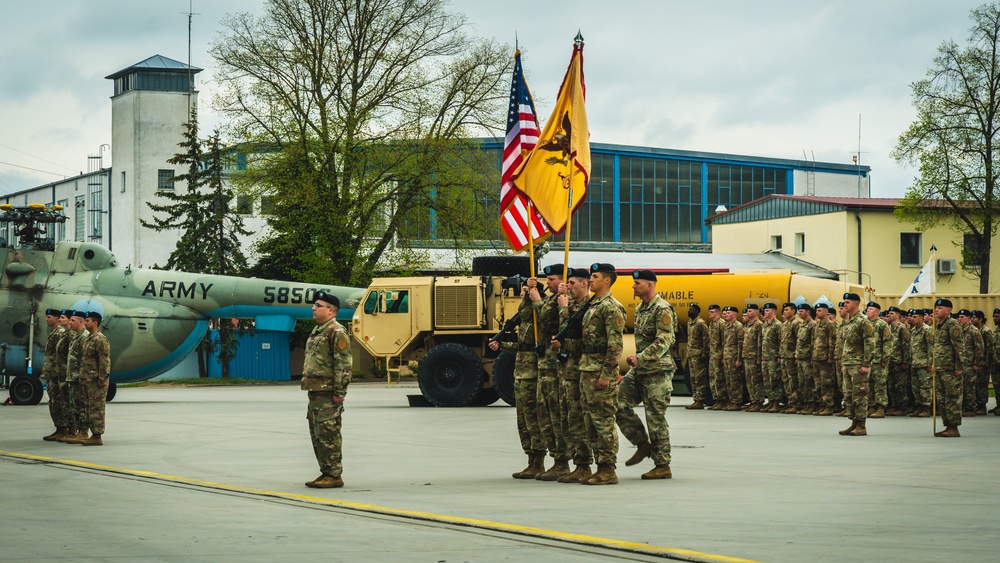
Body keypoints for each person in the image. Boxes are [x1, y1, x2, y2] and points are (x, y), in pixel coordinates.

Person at [616, 270, 675, 480]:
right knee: (616, 402)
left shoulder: (662, 309)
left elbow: (665, 340)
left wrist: (641, 357)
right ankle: (642, 444)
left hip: (657, 370)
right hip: (640, 370)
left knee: (655, 417)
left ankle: (662, 465)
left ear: (650, 285)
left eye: (637, 283)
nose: (633, 286)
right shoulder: (640, 308)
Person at [579, 263, 625, 485]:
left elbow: (615, 345)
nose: (591, 280)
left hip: (599, 371)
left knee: (604, 421)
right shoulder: (592, 304)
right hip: (587, 369)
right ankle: (599, 466)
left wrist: (607, 374)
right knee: (590, 421)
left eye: (595, 276)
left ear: (607, 280)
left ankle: (608, 468)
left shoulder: (611, 307)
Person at [301, 292, 353, 488]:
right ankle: (325, 472)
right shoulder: (319, 330)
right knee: (318, 435)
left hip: (328, 392)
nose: (313, 308)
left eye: (318, 305)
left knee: (329, 433)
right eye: (314, 305)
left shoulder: (336, 331)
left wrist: (340, 392)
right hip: (316, 391)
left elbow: (344, 364)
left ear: (331, 310)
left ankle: (334, 475)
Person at [552, 267, 594, 483]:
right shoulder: (572, 304)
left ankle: (584, 464)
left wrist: (563, 309)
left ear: (584, 284)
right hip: (567, 370)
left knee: (578, 419)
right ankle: (577, 463)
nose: (568, 286)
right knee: (568, 418)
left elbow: (575, 332)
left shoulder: (588, 306)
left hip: (579, 370)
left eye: (572, 283)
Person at [839, 293, 874, 436]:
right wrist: (843, 363)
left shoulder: (863, 321)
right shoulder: (848, 322)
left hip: (858, 364)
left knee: (859, 394)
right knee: (848, 395)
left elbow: (870, 343)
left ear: (855, 304)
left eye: (847, 302)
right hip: (848, 363)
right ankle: (854, 422)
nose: (844, 304)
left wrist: (866, 363)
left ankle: (861, 425)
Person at [932, 298, 966, 437]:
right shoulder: (940, 325)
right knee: (942, 399)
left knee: (952, 398)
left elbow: (959, 347)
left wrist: (959, 366)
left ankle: (954, 427)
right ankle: (947, 425)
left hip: (951, 369)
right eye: (936, 308)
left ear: (948, 310)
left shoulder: (953, 324)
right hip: (941, 368)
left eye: (940, 308)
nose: (936, 310)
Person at [77, 311, 111, 446]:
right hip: (87, 379)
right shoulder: (89, 338)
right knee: (88, 408)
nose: (85, 323)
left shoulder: (100, 339)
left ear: (95, 323)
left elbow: (104, 361)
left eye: (87, 321)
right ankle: (90, 433)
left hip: (96, 381)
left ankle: (97, 436)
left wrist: (102, 379)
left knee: (96, 408)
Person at [62, 311, 91, 444]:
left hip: (79, 378)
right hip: (72, 377)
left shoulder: (84, 337)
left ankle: (84, 432)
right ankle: (78, 431)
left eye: (73, 320)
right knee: (75, 406)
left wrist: (82, 377)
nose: (70, 322)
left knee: (81, 406)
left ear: (81, 322)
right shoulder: (76, 336)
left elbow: (85, 359)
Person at [41, 309, 68, 441]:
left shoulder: (60, 333)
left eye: (49, 317)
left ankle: (63, 429)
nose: (46, 319)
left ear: (56, 319)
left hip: (57, 374)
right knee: (53, 402)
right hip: (52, 374)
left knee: (58, 401)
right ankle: (59, 428)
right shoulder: (54, 333)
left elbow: (62, 354)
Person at [865, 302, 891, 418]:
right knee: (869, 384)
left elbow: (887, 342)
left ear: (876, 312)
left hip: (879, 359)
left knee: (879, 384)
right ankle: (871, 406)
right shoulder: (866, 324)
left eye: (870, 309)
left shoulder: (882, 325)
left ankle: (880, 407)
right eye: (867, 309)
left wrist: (885, 358)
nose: (867, 311)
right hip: (868, 360)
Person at [811, 303, 837, 416]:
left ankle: (828, 406)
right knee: (818, 384)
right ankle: (821, 404)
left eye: (820, 310)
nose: (817, 312)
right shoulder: (816, 325)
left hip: (825, 358)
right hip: (816, 358)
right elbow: (814, 342)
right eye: (817, 311)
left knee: (827, 383)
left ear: (826, 312)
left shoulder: (830, 325)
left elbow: (832, 342)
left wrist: (831, 357)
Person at [885, 306, 912, 416]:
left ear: (897, 315)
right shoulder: (889, 328)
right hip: (890, 361)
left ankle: (902, 407)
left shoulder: (902, 328)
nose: (889, 316)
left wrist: (905, 361)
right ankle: (894, 406)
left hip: (899, 362)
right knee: (891, 386)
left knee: (900, 386)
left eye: (891, 314)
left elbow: (906, 346)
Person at [907, 308, 933, 418]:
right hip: (915, 363)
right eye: (912, 317)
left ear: (922, 318)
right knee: (915, 387)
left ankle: (926, 407)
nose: (912, 319)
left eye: (915, 317)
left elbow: (931, 348)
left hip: (924, 364)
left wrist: (930, 364)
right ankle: (919, 406)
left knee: (925, 387)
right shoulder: (913, 330)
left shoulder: (927, 330)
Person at [957, 309, 983, 417]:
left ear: (968, 318)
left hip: (970, 364)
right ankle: (964, 407)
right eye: (959, 317)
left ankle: (970, 408)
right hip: (962, 364)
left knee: (970, 388)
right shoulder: (960, 330)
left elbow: (979, 348)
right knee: (962, 387)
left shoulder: (974, 331)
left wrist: (976, 363)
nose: (960, 319)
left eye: (962, 317)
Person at [760, 303, 783, 412]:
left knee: (774, 380)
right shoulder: (764, 325)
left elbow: (781, 341)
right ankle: (770, 400)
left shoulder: (778, 325)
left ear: (774, 312)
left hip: (773, 357)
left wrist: (779, 355)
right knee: (767, 380)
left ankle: (776, 402)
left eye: (768, 310)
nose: (765, 312)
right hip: (765, 357)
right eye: (765, 310)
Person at [721, 306, 745, 411]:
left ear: (734, 315)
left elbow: (740, 343)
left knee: (735, 380)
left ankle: (737, 401)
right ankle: (731, 401)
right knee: (728, 380)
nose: (726, 314)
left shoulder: (738, 326)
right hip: (727, 357)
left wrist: (739, 359)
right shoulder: (726, 326)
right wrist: (723, 356)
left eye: (729, 312)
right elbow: (724, 343)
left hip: (734, 357)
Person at [778, 302, 801, 414]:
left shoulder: (796, 323)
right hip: (784, 356)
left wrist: (796, 355)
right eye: (784, 310)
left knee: (793, 381)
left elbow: (799, 341)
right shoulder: (785, 324)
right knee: (786, 381)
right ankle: (790, 402)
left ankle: (796, 403)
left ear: (793, 311)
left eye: (787, 310)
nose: (784, 312)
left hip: (791, 357)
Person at [686, 303, 709, 410]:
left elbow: (706, 339)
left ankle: (700, 400)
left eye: (691, 310)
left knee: (699, 378)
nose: (688, 311)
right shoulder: (689, 323)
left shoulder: (701, 323)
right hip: (691, 354)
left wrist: (704, 353)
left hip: (698, 355)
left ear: (697, 311)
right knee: (693, 378)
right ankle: (695, 399)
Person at [741, 304, 764, 412]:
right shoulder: (748, 325)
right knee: (749, 380)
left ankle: (758, 401)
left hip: (754, 357)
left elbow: (759, 342)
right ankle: (753, 401)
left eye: (750, 311)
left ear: (756, 312)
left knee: (756, 380)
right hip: (747, 356)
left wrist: (759, 357)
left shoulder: (758, 324)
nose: (748, 312)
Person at [794, 303, 816, 414]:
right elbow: (799, 342)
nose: (800, 313)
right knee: (802, 382)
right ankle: (806, 403)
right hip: (801, 357)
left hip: (808, 357)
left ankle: (812, 404)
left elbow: (813, 342)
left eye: (802, 311)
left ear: (808, 312)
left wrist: (812, 357)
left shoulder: (812, 324)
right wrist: (797, 356)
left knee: (809, 381)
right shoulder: (802, 325)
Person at [707, 305, 728, 410]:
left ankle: (722, 400)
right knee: (713, 377)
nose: (709, 314)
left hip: (719, 355)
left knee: (719, 378)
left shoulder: (721, 324)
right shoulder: (711, 324)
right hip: (713, 354)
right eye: (709, 312)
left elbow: (724, 341)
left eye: (712, 312)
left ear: (717, 313)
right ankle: (716, 399)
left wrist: (723, 355)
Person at [972, 311, 992, 415]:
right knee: (976, 384)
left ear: (980, 319)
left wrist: (986, 362)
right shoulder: (975, 330)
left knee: (982, 385)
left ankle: (982, 406)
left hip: (983, 363)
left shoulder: (985, 331)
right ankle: (978, 405)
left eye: (974, 317)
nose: (972, 319)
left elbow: (989, 348)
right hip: (976, 362)